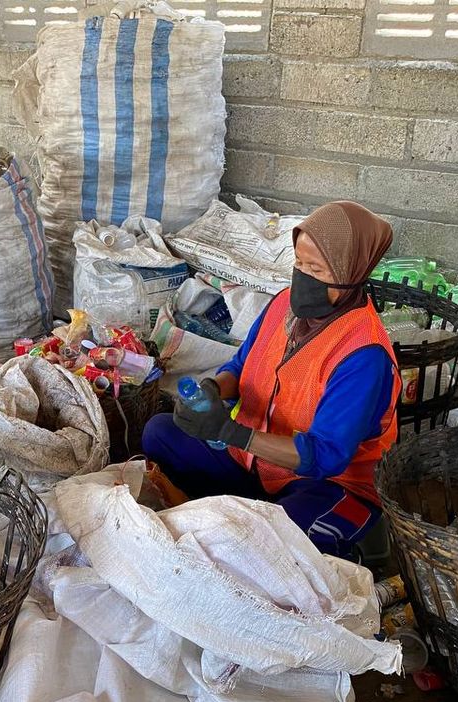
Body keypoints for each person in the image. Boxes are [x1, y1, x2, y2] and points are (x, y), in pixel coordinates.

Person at [142, 201, 401, 558]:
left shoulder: (363, 355)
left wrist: (231, 433)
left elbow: (325, 457)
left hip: (326, 484)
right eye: (298, 262)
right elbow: (239, 365)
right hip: (255, 464)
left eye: (317, 269)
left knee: (285, 536)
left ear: (352, 272)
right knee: (160, 432)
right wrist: (214, 390)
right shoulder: (283, 305)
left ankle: (335, 547)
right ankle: (245, 518)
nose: (302, 277)